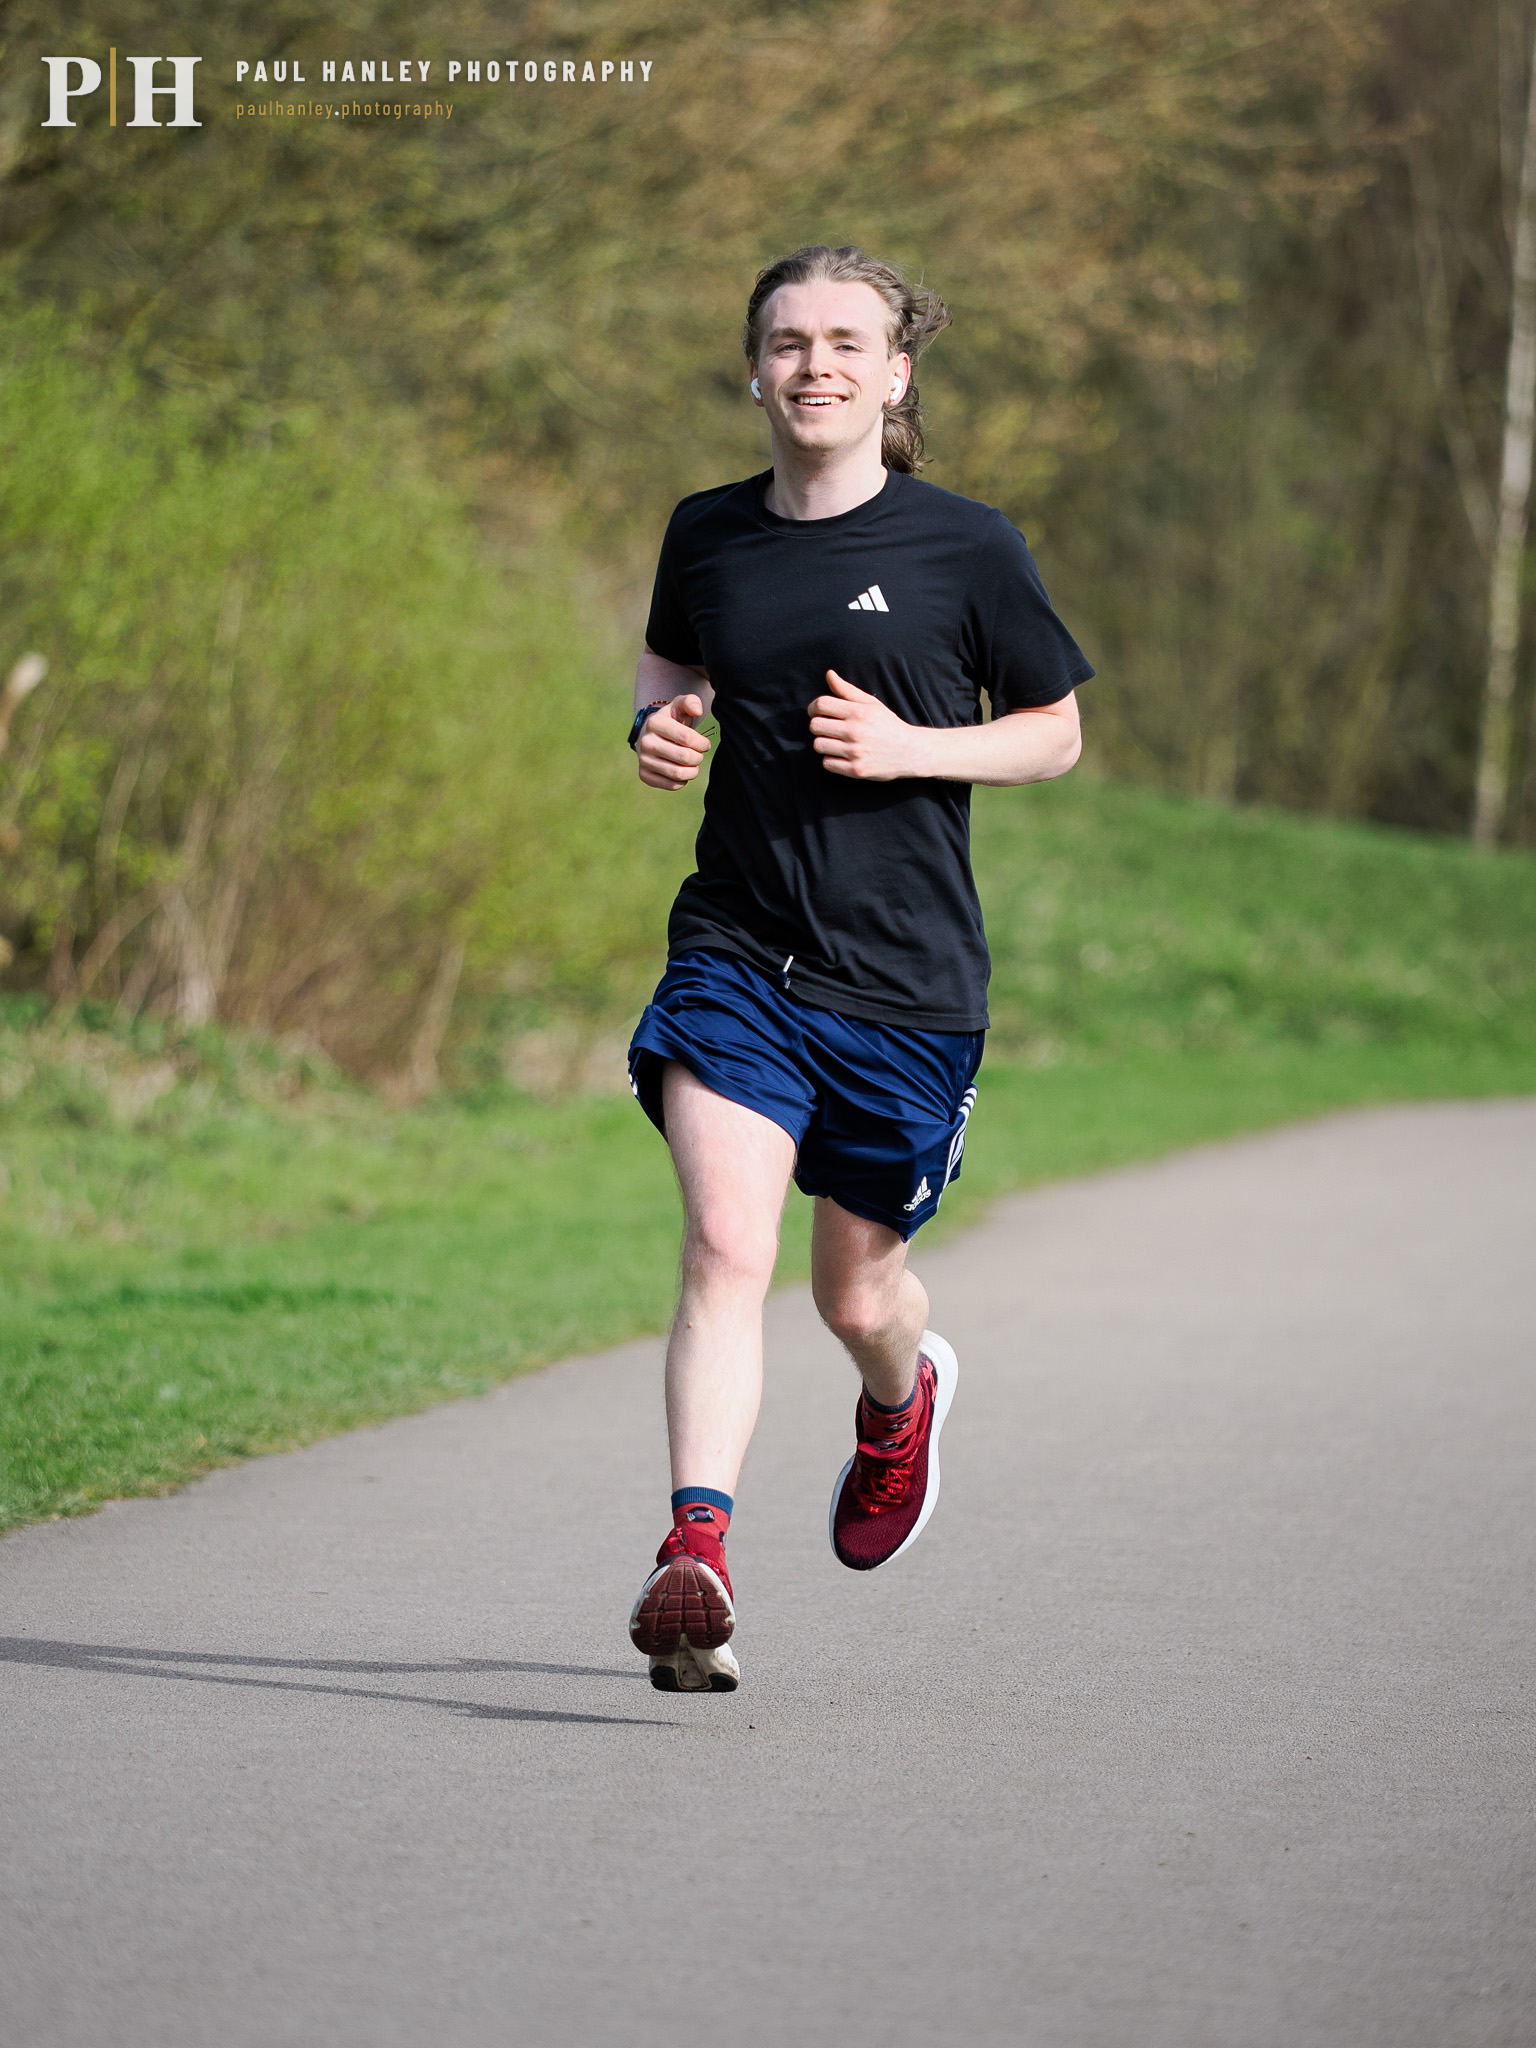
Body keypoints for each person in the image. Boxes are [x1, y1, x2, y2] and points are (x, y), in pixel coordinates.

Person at [624, 244, 1092, 1692]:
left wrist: (915, 748)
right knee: (723, 1247)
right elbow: (664, 664)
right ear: (753, 368)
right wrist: (660, 727)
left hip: (906, 987)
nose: (813, 363)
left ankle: (901, 1403)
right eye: (786, 340)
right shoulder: (707, 534)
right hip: (739, 953)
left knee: (855, 1300)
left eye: (845, 341)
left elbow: (1055, 731)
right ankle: (694, 1555)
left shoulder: (967, 547)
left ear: (895, 375)